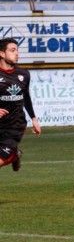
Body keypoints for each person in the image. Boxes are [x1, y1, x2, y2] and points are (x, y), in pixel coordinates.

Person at [0, 38, 41, 171]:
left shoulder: (23, 74)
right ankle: (14, 154)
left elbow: (26, 97)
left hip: (14, 126)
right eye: (12, 50)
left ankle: (12, 155)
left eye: (17, 50)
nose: (17, 53)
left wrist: (34, 119)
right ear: (2, 53)